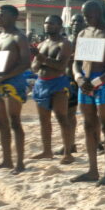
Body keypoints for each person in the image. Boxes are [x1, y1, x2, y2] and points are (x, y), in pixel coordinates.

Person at [71, 1, 105, 186]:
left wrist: (99, 80)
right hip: (85, 82)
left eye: (90, 15)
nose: (86, 19)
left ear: (99, 13)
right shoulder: (83, 33)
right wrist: (78, 77)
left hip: (103, 82)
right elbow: (76, 61)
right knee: (88, 125)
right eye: (85, 15)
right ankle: (93, 169)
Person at [0, 5, 32, 174]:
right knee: (1, 122)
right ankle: (7, 159)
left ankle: (20, 162)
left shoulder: (19, 37)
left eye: (2, 15)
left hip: (13, 81)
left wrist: (3, 77)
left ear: (14, 17)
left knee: (15, 121)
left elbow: (25, 63)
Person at [30, 15, 75, 164]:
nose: (47, 25)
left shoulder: (65, 44)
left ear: (60, 26)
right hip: (41, 83)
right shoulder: (42, 44)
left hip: (58, 83)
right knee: (44, 120)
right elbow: (34, 67)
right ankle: (47, 151)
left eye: (51, 23)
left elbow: (61, 66)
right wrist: (41, 61)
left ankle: (68, 153)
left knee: (62, 118)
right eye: (46, 22)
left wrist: (41, 60)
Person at [60, 13, 86, 156]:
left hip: (80, 80)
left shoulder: (87, 40)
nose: (76, 24)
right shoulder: (67, 40)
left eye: (79, 21)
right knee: (66, 114)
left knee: (81, 114)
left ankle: (97, 142)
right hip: (65, 79)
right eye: (74, 21)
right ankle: (70, 143)